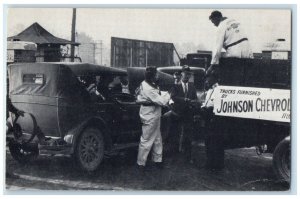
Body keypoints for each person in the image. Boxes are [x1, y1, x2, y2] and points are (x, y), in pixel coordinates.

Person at [136, 66, 170, 171]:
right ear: (152, 76)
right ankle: (141, 163)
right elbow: (162, 101)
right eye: (156, 74)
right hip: (150, 115)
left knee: (157, 139)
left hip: (154, 114)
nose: (158, 76)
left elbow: (158, 94)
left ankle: (157, 160)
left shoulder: (147, 84)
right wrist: (170, 94)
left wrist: (164, 94)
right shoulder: (148, 88)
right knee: (146, 139)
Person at [207, 10, 253, 77]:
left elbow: (217, 48)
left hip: (235, 51)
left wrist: (212, 66)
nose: (214, 25)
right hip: (248, 50)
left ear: (216, 18)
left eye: (213, 22)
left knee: (221, 62)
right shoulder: (235, 21)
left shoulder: (221, 26)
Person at [168, 66, 197, 162]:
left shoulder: (192, 86)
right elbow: (173, 97)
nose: (187, 76)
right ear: (181, 75)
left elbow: (195, 98)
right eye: (185, 73)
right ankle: (174, 156)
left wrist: (194, 102)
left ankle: (187, 157)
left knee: (188, 136)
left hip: (188, 114)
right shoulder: (175, 86)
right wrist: (184, 99)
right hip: (177, 113)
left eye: (189, 74)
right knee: (175, 134)